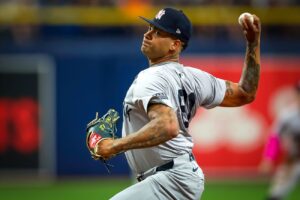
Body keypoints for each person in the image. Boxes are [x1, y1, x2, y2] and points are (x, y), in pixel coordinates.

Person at [93, 7, 261, 199]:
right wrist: (253, 44)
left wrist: (115, 145)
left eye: (157, 32)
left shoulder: (150, 78)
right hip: (176, 177)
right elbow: (245, 92)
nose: (148, 34)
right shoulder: (194, 77)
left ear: (174, 44)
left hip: (169, 180)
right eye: (149, 28)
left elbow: (168, 126)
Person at [259, 81, 300, 200]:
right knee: (276, 194)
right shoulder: (288, 115)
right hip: (293, 161)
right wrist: (268, 158)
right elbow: (275, 137)